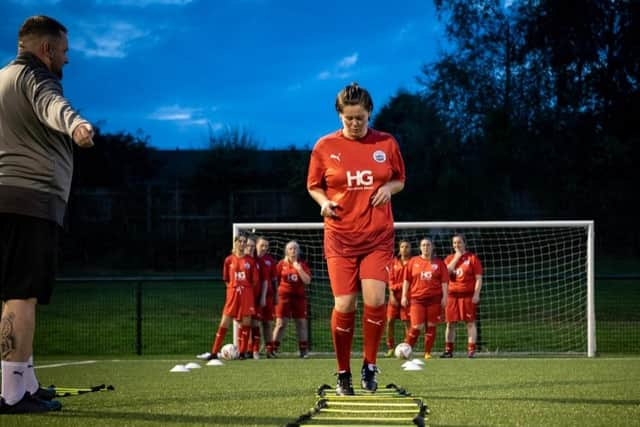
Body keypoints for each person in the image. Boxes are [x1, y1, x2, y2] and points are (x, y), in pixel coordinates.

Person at [0, 15, 94, 414]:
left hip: (10, 199)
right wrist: (77, 125)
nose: (67, 59)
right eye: (65, 51)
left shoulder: (3, 77)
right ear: (46, 49)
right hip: (29, 201)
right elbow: (52, 103)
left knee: (15, 294)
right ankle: (11, 393)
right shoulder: (34, 77)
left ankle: (25, 382)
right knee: (22, 295)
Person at [306, 82, 406, 395]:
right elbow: (313, 185)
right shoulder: (324, 146)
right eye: (349, 118)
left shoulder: (386, 143)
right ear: (339, 115)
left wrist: (389, 188)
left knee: (376, 299)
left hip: (377, 236)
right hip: (340, 237)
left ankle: (370, 365)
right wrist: (323, 202)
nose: (355, 123)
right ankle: (343, 372)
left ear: (369, 113)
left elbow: (400, 179)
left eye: (360, 118)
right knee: (345, 304)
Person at [205, 234, 258, 360]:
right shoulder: (229, 260)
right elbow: (226, 279)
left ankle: (243, 353)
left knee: (246, 322)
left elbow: (254, 281)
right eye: (240, 241)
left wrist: (245, 288)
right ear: (235, 242)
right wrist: (232, 289)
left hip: (246, 294)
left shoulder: (250, 261)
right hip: (233, 294)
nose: (242, 243)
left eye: (244, 241)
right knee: (224, 322)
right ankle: (213, 352)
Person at [401, 238, 448, 359]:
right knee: (417, 326)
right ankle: (405, 349)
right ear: (420, 248)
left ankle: (427, 353)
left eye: (428, 245)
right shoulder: (413, 261)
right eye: (423, 245)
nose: (426, 247)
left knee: (431, 325)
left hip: (434, 299)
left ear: (432, 247)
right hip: (417, 299)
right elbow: (406, 280)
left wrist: (445, 297)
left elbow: (444, 282)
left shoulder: (439, 263)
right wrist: (404, 295)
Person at [441, 234, 483, 358]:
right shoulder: (449, 258)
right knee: (450, 323)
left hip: (467, 295)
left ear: (464, 243)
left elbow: (478, 278)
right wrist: (457, 257)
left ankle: (471, 350)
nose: (457, 245)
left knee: (470, 323)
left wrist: (476, 294)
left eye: (459, 242)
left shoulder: (472, 258)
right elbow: (445, 273)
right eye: (454, 243)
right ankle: (448, 350)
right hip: (452, 295)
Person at [271, 241, 312, 358]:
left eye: (295, 249)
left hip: (299, 298)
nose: (293, 251)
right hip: (283, 297)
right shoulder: (280, 264)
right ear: (286, 251)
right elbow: (275, 281)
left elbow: (307, 281)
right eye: (290, 249)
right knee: (280, 324)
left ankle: (303, 351)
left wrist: (299, 269)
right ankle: (273, 349)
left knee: (301, 323)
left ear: (298, 251)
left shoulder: (302, 265)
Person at [385, 239, 412, 357]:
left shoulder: (413, 262)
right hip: (394, 297)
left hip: (407, 297)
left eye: (406, 247)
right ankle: (390, 347)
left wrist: (405, 294)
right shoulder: (393, 262)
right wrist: (391, 295)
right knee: (390, 321)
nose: (404, 249)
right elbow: (390, 280)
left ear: (410, 249)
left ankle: (407, 348)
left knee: (407, 322)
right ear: (399, 249)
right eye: (402, 247)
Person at [255, 236, 278, 358]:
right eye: (262, 245)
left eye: (266, 246)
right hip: (254, 296)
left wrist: (276, 295)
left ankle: (270, 349)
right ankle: (254, 349)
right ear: (256, 245)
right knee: (255, 323)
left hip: (268, 296)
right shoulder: (252, 259)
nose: (264, 248)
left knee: (268, 323)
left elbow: (274, 280)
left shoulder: (270, 260)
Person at [244, 236, 267, 360]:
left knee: (255, 324)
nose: (250, 248)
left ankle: (255, 350)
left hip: (257, 298)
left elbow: (264, 281)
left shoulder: (259, 261)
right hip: (244, 298)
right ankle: (244, 350)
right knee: (244, 324)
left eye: (253, 246)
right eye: (248, 245)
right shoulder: (241, 260)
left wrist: (263, 296)